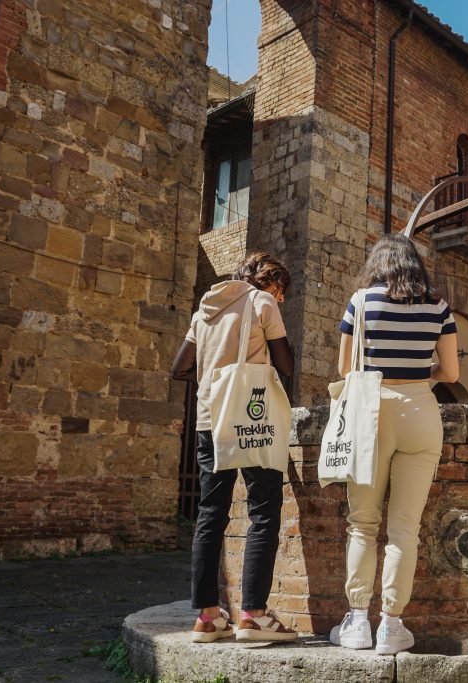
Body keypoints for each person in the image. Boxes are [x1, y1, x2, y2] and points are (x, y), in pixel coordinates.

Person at [329, 234, 459, 656]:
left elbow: (345, 368)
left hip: (371, 412)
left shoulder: (361, 301)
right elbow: (452, 373)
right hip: (421, 409)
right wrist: (422, 368)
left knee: (363, 523)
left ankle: (355, 622)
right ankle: (391, 625)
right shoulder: (438, 306)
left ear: (378, 264)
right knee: (405, 528)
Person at [170, 251, 297, 643]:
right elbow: (286, 364)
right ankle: (253, 615)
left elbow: (179, 369)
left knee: (211, 514)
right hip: (250, 417)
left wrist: (215, 375)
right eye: (282, 291)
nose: (282, 298)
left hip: (210, 420)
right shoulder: (262, 302)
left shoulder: (204, 310)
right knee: (264, 510)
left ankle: (208, 617)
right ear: (270, 281)